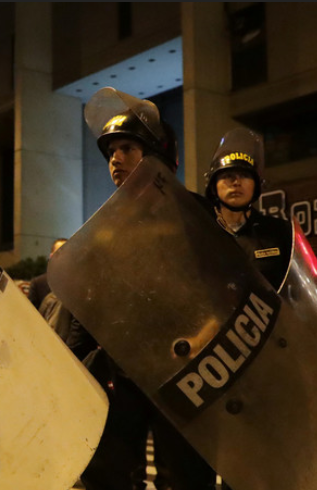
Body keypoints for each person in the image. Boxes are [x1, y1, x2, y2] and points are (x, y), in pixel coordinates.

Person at [70, 87, 217, 490]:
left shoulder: (196, 213)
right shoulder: (104, 228)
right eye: (111, 151)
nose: (115, 159)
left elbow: (224, 288)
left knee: (186, 478)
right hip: (124, 374)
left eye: (126, 148)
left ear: (155, 154)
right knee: (109, 474)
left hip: (188, 372)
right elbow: (91, 304)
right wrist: (72, 359)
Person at [204, 128, 292, 290]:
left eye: (244, 176)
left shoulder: (279, 232)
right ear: (214, 185)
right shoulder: (201, 233)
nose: (236, 182)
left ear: (256, 185)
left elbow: (297, 291)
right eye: (227, 176)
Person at [27, 237, 68, 308]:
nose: (64, 256)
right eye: (59, 252)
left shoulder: (79, 283)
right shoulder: (38, 284)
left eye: (68, 252)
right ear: (51, 256)